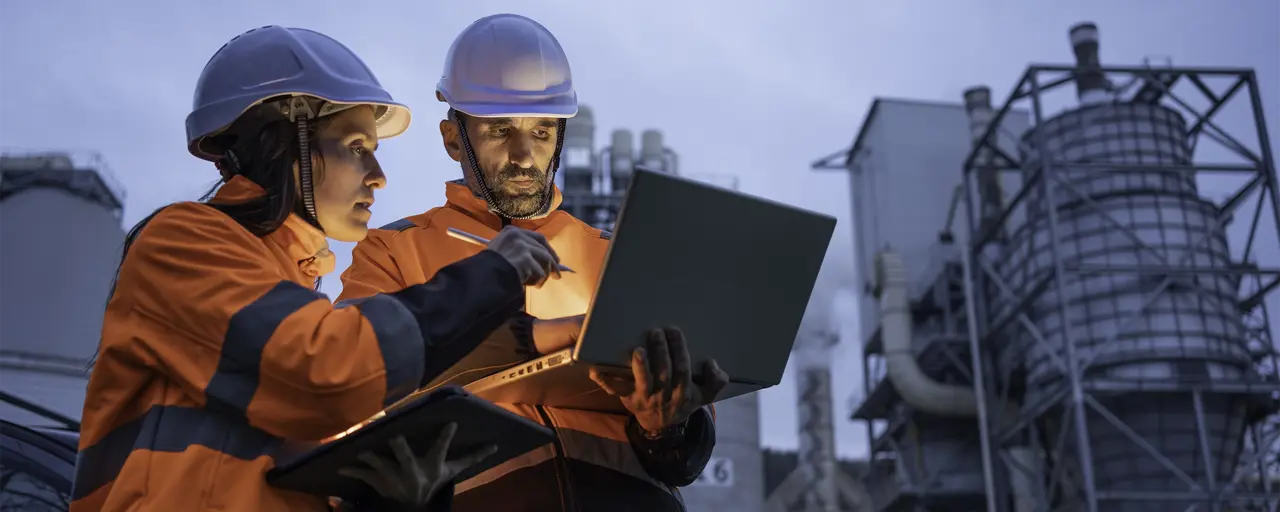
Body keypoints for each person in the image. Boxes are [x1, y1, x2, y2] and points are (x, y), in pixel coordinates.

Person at [72, 26, 565, 512]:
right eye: (356, 147)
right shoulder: (181, 244)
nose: (379, 176)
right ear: (287, 144)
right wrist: (491, 274)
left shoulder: (297, 290)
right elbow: (325, 372)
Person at [338, 14, 729, 511]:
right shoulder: (394, 251)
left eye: (542, 132)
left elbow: (686, 459)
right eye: (500, 131)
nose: (525, 156)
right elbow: (355, 389)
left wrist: (670, 423)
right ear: (454, 138)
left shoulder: (613, 255)